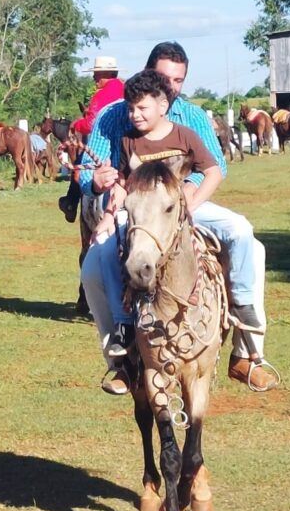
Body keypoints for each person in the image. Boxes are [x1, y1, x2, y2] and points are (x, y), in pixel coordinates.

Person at [80, 42, 278, 395]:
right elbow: (89, 172)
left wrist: (189, 190)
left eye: (179, 79)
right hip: (137, 209)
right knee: (94, 264)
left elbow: (216, 165)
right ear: (148, 77)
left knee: (246, 236)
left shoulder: (192, 118)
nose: (172, 86)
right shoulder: (117, 117)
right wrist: (95, 183)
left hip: (188, 204)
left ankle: (248, 351)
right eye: (164, 78)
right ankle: (121, 357)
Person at [94, 70, 223, 356]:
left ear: (162, 106)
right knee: (106, 253)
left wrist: (192, 203)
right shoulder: (129, 141)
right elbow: (124, 185)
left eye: (141, 108)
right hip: (143, 213)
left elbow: (213, 172)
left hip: (181, 209)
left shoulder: (184, 135)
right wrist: (106, 217)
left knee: (238, 233)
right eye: (130, 108)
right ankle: (124, 322)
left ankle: (238, 315)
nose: (134, 115)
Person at [58, 56, 124, 223]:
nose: (94, 77)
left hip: (107, 145)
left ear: (107, 73)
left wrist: (76, 124)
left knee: (80, 164)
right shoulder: (126, 88)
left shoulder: (101, 95)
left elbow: (91, 124)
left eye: (97, 74)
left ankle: (71, 203)